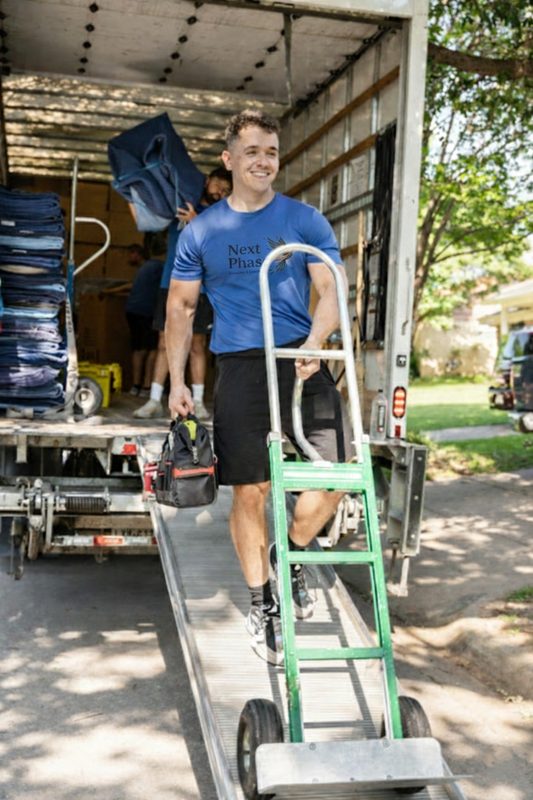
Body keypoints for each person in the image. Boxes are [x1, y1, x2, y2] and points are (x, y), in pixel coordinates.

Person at [165, 110, 353, 665]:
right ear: (229, 160)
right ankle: (263, 600)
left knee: (337, 476)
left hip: (301, 356)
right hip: (241, 366)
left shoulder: (304, 219)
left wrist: (317, 339)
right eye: (251, 151)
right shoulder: (202, 231)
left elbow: (331, 288)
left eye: (270, 151)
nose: (263, 161)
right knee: (251, 491)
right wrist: (178, 381)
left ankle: (289, 554)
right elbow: (181, 307)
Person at [134, 167, 232, 419]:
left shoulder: (222, 213)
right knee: (164, 342)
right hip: (170, 284)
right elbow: (147, 215)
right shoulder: (179, 202)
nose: (220, 193)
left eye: (226, 191)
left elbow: (221, 243)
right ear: (207, 181)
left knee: (197, 345)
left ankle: (197, 402)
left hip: (202, 287)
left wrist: (195, 220)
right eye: (218, 186)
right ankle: (154, 400)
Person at [124, 238, 165, 396]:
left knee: (138, 349)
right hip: (148, 311)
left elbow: (133, 286)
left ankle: (135, 386)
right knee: (153, 349)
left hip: (133, 310)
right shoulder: (159, 267)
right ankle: (147, 387)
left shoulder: (147, 268)